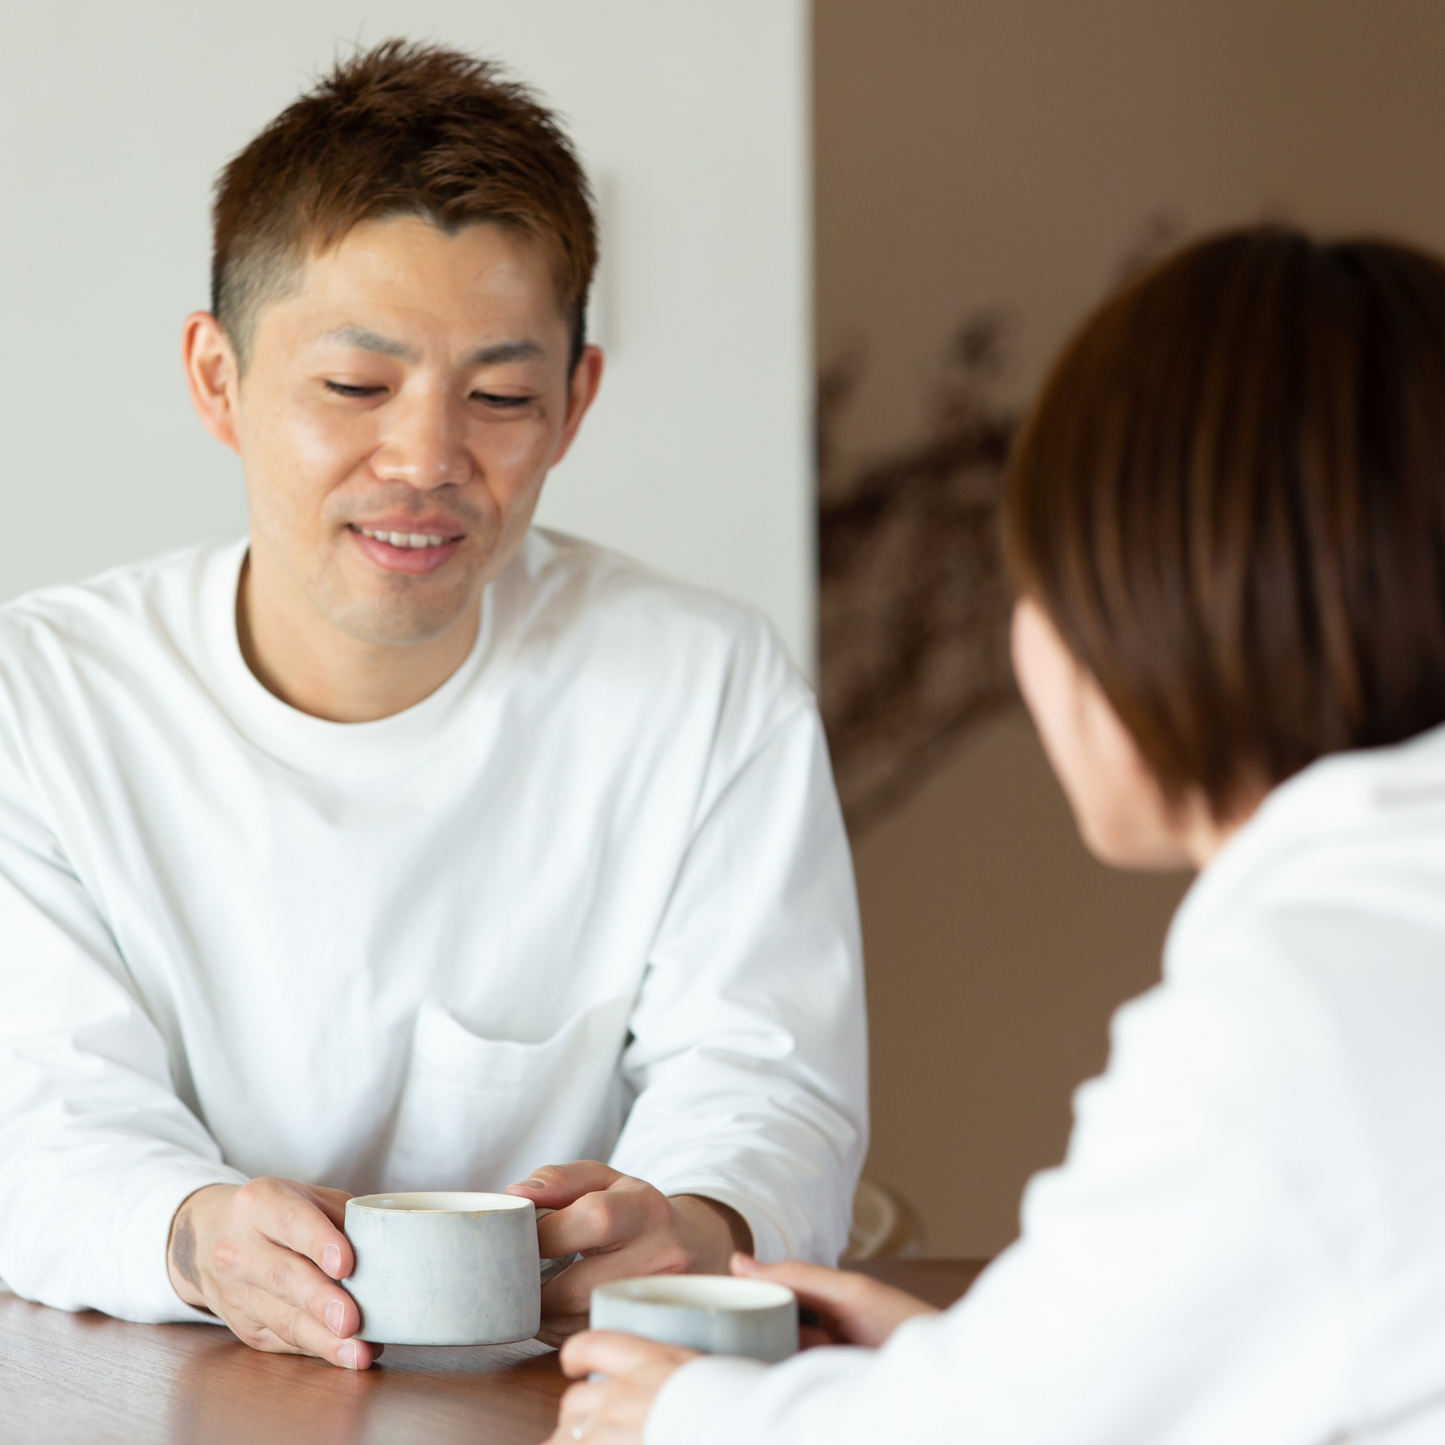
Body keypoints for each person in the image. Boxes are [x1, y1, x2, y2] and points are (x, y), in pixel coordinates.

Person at [0, 41, 867, 1371]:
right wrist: (190, 1233)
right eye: (355, 387)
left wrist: (691, 1222)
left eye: (500, 396)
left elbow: (766, 1081)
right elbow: (37, 1117)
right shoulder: (46, 698)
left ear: (573, 403)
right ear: (218, 378)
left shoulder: (702, 685)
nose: (423, 459)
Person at [552, 226, 1445, 1444]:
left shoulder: (1293, 1016)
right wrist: (960, 1370)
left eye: (1040, 583)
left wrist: (693, 1414)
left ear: (1158, 602)